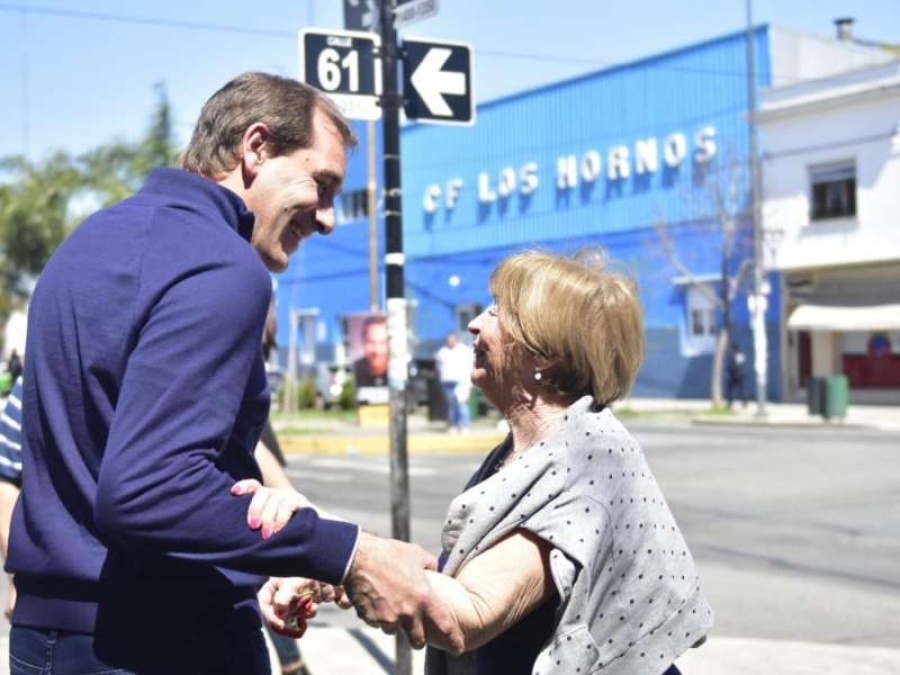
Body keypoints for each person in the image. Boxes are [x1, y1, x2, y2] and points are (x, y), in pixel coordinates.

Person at [7, 72, 454, 674]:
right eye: (322, 185)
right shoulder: (223, 266)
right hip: (164, 644)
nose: (327, 219)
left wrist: (256, 559)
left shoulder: (87, 243)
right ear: (256, 147)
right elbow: (147, 489)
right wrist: (350, 553)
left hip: (49, 639)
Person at [434, 333, 474, 432]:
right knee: (451, 405)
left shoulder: (464, 351)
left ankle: (464, 425)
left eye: (452, 339)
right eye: (449, 339)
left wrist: (469, 382)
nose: (450, 341)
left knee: (461, 403)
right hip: (447, 382)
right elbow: (438, 367)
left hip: (461, 381)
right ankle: (453, 425)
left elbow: (470, 365)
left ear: (457, 340)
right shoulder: (442, 352)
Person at [352, 314, 389, 388]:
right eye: (371, 342)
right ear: (363, 342)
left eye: (383, 342)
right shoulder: (353, 371)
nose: (377, 350)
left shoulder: (401, 371)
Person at [726, 342, 747, 409]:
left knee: (731, 390)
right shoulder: (740, 355)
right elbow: (741, 365)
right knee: (742, 389)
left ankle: (730, 403)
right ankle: (744, 402)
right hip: (740, 375)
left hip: (733, 375)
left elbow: (730, 366)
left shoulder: (731, 355)